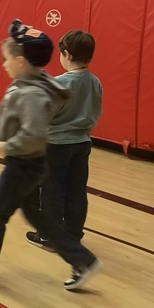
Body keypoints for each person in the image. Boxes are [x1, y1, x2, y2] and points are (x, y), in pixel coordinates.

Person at [0, 20, 103, 291]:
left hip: (22, 163)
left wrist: (9, 144)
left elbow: (33, 132)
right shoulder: (36, 80)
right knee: (37, 216)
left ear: (20, 61)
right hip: (32, 162)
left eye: (7, 58)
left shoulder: (31, 91)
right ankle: (82, 259)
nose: (3, 63)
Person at [28, 30, 104, 254]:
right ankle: (72, 234)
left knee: (52, 191)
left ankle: (49, 237)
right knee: (76, 190)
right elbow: (96, 111)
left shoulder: (60, 83)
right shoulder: (95, 82)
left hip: (57, 145)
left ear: (67, 54)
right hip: (82, 144)